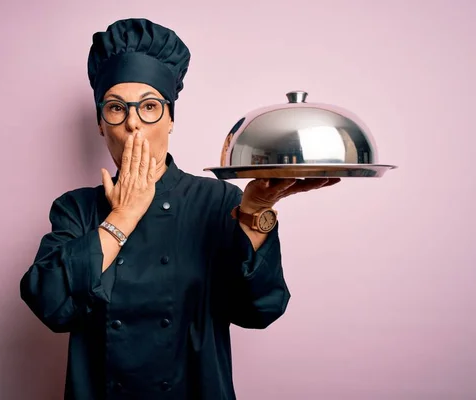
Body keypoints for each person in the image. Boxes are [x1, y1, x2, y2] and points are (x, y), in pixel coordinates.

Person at [20, 18, 339, 400]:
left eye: (150, 106)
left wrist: (256, 212)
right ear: (100, 125)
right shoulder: (76, 209)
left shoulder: (219, 202)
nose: (133, 124)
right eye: (116, 108)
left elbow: (260, 311)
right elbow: (51, 305)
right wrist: (122, 215)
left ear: (171, 118)